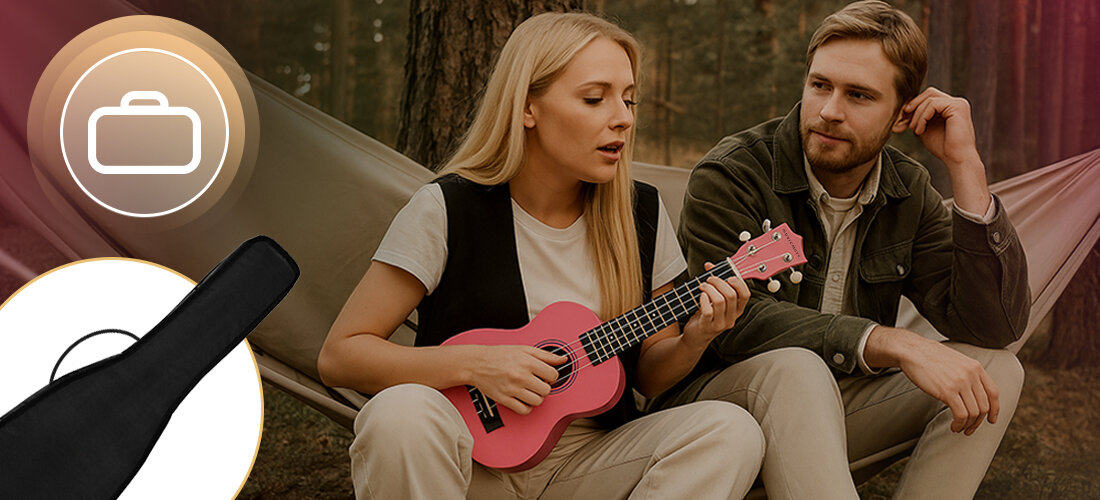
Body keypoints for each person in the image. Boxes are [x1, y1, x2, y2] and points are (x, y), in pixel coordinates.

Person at [318, 12, 764, 500]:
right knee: (397, 415)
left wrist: (696, 338)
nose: (623, 117)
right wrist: (475, 366)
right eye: (595, 98)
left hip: (588, 464)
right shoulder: (447, 209)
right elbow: (342, 355)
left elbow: (649, 372)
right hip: (467, 464)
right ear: (528, 107)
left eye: (629, 99)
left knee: (728, 430)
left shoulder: (641, 212)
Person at [649, 1, 1029, 499]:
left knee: (998, 368)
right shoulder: (734, 173)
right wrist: (889, 341)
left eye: (859, 95)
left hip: (832, 409)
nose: (829, 110)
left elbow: (993, 325)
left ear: (901, 114)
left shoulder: (907, 191)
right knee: (796, 367)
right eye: (820, 85)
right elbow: (732, 327)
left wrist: (965, 166)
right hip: (719, 412)